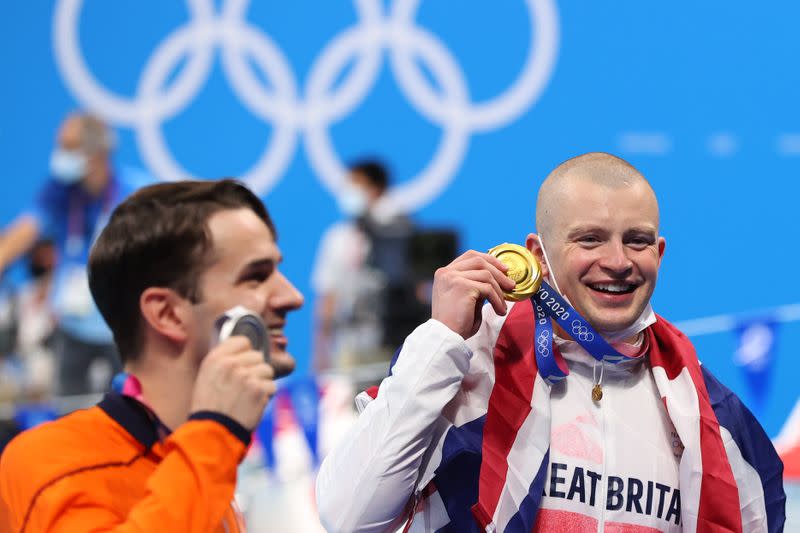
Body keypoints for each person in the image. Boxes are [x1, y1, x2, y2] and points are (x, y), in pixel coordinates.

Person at [316, 153, 786, 532]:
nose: (618, 261)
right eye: (590, 239)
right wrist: (440, 340)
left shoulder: (705, 410)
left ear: (659, 253)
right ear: (537, 254)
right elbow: (349, 516)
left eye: (637, 241)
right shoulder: (467, 366)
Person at [0, 179, 304, 532]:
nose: (292, 296)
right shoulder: (51, 461)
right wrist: (215, 432)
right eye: (256, 277)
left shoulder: (196, 463)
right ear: (167, 314)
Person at [0, 112, 152, 395]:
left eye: (68, 147)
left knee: (131, 414)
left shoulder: (137, 193)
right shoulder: (58, 190)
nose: (59, 155)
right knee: (67, 417)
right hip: (72, 327)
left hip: (122, 328)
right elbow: (23, 232)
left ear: (96, 154)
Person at [311, 159, 414, 375]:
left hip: (394, 342)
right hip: (349, 342)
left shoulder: (401, 231)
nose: (348, 191)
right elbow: (328, 298)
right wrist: (320, 352)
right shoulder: (337, 238)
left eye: (355, 184)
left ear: (375, 189)